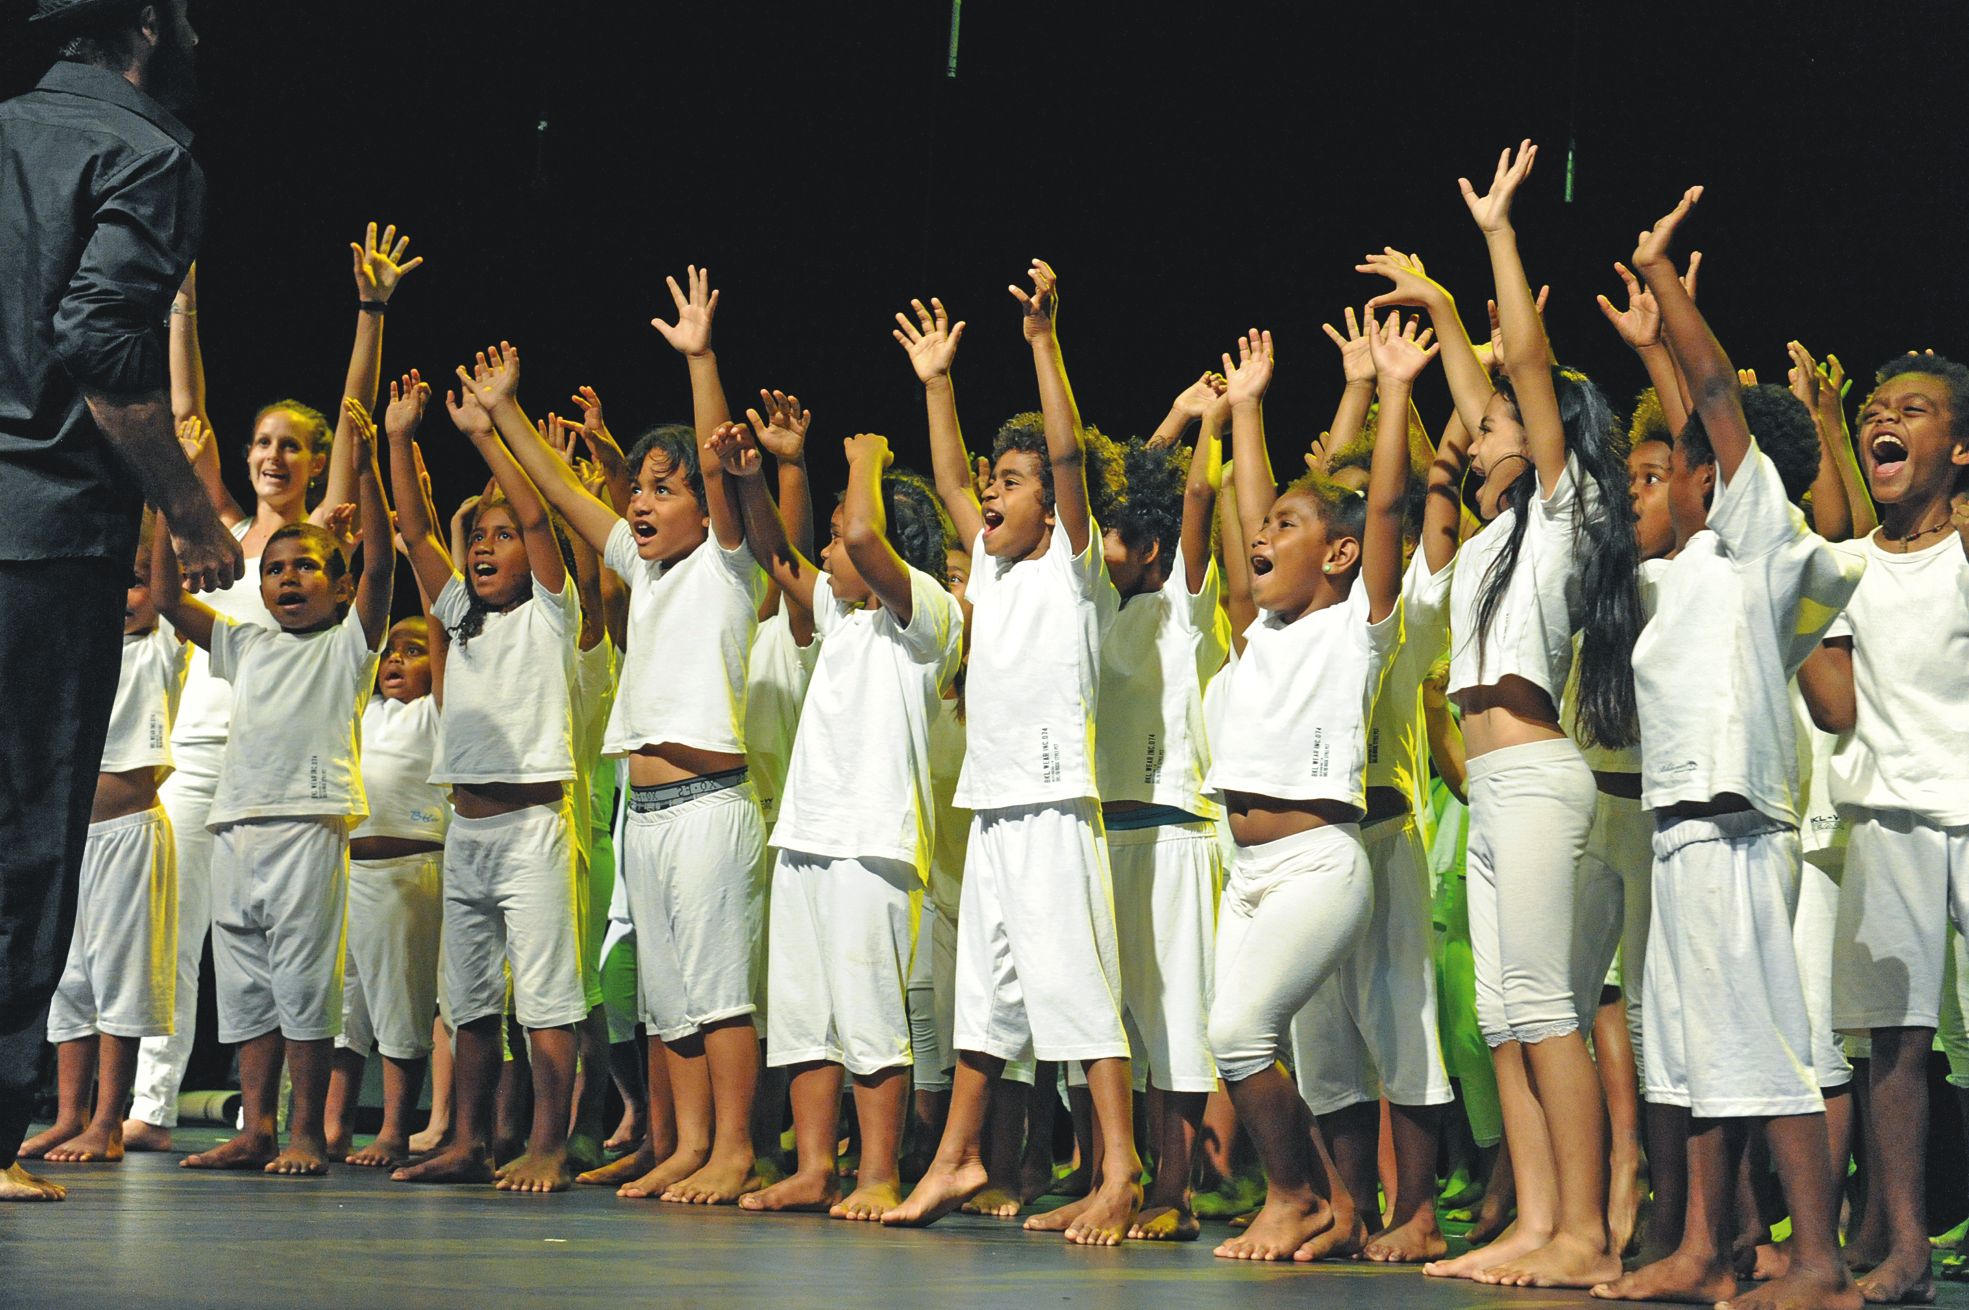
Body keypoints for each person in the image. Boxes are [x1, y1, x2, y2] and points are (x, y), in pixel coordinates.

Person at [1365, 142, 1644, 1289]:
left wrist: (1492, 236)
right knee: (1504, 1015)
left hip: (1534, 776)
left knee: (1543, 1005)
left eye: (1496, 424)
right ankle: (1534, 1219)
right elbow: (1481, 400)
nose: (1473, 430)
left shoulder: (1572, 509)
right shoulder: (1493, 537)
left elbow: (1519, 374)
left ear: (1551, 440)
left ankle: (1580, 1226)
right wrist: (1431, 303)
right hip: (1489, 784)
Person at [1589, 187, 1863, 1310]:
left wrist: (1663, 279)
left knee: (1760, 1043)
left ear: (1726, 474)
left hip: (1736, 822)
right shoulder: (1691, 564)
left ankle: (1819, 1264)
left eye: (1684, 463)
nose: (1664, 474)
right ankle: (1702, 1246)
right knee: (1697, 1057)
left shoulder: (1764, 537)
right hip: (1678, 829)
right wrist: (1655, 347)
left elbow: (1712, 401)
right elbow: (1689, 412)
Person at [0, 0, 239, 1202]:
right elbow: (100, 344)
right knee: (29, 830)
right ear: (148, 23)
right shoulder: (147, 150)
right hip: (37, 537)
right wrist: (192, 512)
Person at [468, 298, 768, 1206]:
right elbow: (562, 494)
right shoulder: (643, 567)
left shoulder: (729, 562)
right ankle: (681, 1146)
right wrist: (506, 413)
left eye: (661, 487)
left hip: (710, 809)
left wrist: (701, 355)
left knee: (718, 998)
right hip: (645, 811)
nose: (638, 500)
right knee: (669, 1002)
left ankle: (732, 1149)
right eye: (636, 486)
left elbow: (721, 465)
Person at [130, 222, 418, 1152]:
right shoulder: (214, 530)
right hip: (205, 758)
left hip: (290, 772)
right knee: (194, 943)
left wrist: (370, 314)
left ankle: (284, 1124)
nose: (271, 457)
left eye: (291, 446)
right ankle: (153, 1101)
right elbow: (185, 418)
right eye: (260, 443)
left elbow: (355, 423)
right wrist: (183, 304)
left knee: (293, 962)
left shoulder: (325, 541)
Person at [882, 270, 1142, 1246]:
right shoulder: (989, 558)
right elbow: (952, 479)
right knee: (984, 998)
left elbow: (1068, 454)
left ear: (1056, 502)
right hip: (992, 803)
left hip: (1051, 804)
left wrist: (1042, 340)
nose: (993, 488)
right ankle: (959, 1153)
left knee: (1073, 990)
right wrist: (937, 383)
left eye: (1015, 479)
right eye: (996, 477)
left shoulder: (1076, 569)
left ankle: (1117, 1170)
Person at [1201, 312, 1416, 1262]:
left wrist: (1396, 389)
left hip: (1317, 864)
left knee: (1240, 1031)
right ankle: (1337, 1207)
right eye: (1262, 529)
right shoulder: (1258, 634)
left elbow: (1375, 511)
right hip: (1245, 872)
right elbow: (1257, 518)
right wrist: (1247, 411)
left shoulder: (1350, 626)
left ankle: (1290, 1196)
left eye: (1288, 528)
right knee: (1263, 1047)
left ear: (1332, 557)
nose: (1261, 537)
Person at [720, 425, 964, 1221]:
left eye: (835, 539)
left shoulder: (922, 613)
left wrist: (865, 457)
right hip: (809, 833)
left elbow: (860, 533)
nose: (826, 552)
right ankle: (815, 1168)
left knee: (868, 1013)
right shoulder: (843, 614)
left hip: (873, 840)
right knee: (803, 1015)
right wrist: (753, 479)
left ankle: (879, 1174)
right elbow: (772, 555)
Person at [152, 394, 392, 1177]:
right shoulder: (246, 645)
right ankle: (255, 1128)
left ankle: (304, 1134)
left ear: (338, 580)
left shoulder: (347, 645)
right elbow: (163, 600)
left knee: (302, 987)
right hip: (235, 825)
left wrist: (379, 478)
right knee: (248, 989)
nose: (288, 579)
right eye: (277, 569)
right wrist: (170, 497)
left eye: (307, 567)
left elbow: (384, 566)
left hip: (306, 826)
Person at [387, 357, 586, 1194]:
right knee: (468, 1002)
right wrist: (399, 440)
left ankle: (546, 1145)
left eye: (499, 537)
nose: (483, 547)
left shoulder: (551, 610)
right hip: (465, 831)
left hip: (532, 830)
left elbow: (538, 516)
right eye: (479, 537)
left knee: (544, 1000)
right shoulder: (460, 619)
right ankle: (467, 1139)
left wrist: (494, 431)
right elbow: (415, 529)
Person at [1803, 349, 1969, 1305]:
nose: (1884, 418)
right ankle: (1905, 1247)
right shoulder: (1845, 568)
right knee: (1894, 1047)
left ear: (1956, 446)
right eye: (1873, 408)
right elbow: (1834, 708)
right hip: (1883, 816)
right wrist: (1790, 623)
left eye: (1913, 409)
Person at [1071, 390, 1231, 1244]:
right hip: (1106, 834)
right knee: (1112, 1020)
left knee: (1173, 1020)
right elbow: (1103, 506)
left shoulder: (1185, 608)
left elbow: (1196, 499)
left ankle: (1175, 1187)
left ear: (1154, 550)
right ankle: (1111, 1179)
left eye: (1117, 540)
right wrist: (1161, 420)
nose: (1100, 551)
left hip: (1174, 830)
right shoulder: (1097, 606)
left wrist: (1211, 425)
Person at [18, 515, 188, 1166]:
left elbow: (169, 591)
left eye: (137, 583)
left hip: (128, 834)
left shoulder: (163, 645)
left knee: (121, 979)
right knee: (70, 980)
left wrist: (172, 506)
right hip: (73, 837)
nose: (125, 596)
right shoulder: (84, 648)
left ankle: (109, 1122)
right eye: (117, 583)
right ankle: (70, 1114)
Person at [321, 385, 450, 1170]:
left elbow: (437, 615)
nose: (397, 661)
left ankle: (398, 1124)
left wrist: (414, 529)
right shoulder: (361, 712)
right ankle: (330, 1124)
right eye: (390, 654)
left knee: (402, 1012)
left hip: (410, 870)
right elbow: (351, 615)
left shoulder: (437, 713)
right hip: (349, 873)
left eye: (412, 652)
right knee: (345, 1014)